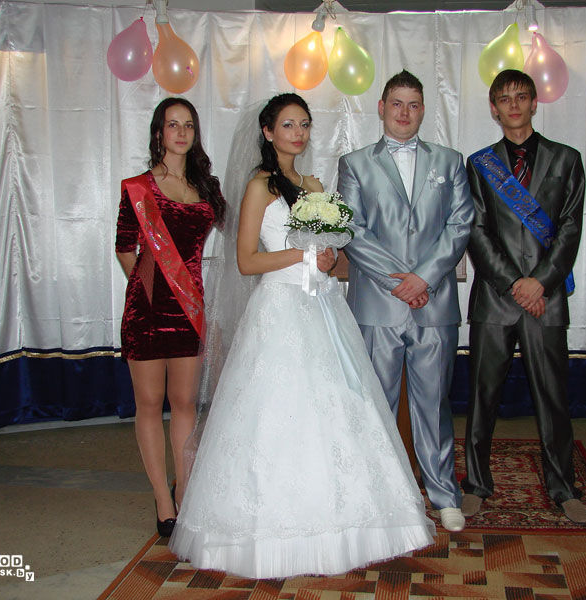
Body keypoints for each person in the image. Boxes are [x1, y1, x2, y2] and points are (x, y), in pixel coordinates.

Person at [170, 93, 435, 579]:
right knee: (278, 414)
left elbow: (331, 253)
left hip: (323, 305)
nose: (298, 133)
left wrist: (329, 258)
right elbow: (246, 260)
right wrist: (302, 254)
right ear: (268, 132)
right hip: (280, 307)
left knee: (339, 408)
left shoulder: (314, 185)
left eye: (305, 124)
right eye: (288, 125)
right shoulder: (259, 187)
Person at [337, 71, 474, 533]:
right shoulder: (355, 163)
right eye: (396, 103)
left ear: (423, 110)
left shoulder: (450, 161)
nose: (404, 112)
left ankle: (444, 494)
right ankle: (377, 494)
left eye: (413, 104)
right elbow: (352, 229)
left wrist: (424, 278)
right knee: (375, 403)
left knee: (433, 403)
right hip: (378, 303)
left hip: (434, 303)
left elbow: (460, 224)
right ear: (381, 107)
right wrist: (399, 281)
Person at [461, 70, 586, 523]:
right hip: (496, 298)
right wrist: (515, 283)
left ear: (535, 103)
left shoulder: (567, 159)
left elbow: (571, 228)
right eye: (504, 98)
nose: (513, 105)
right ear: (493, 108)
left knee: (553, 398)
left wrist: (541, 283)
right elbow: (476, 230)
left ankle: (563, 487)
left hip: (545, 298)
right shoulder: (479, 164)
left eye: (521, 96)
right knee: (482, 398)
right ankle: (476, 484)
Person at [115, 97, 225, 537]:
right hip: (145, 313)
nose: (181, 132)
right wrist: (148, 285)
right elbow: (125, 247)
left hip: (189, 311)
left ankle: (186, 493)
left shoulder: (207, 188)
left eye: (188, 125)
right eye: (172, 124)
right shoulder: (137, 187)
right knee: (148, 404)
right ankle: (163, 498)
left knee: (185, 404)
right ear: (158, 132)